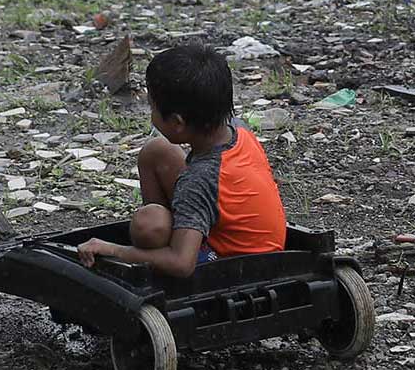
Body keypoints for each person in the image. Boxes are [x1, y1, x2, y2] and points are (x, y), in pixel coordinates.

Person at [77, 41, 286, 280]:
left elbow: (182, 264)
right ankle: (172, 235)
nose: (152, 115)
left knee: (148, 224)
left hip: (233, 266)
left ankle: (160, 249)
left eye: (152, 108)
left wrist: (112, 250)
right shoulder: (237, 130)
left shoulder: (199, 179)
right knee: (156, 152)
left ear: (177, 123)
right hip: (266, 250)